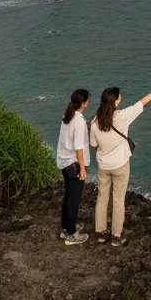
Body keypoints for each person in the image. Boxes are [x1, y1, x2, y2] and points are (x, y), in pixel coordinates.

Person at [90, 83, 151, 245]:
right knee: (118, 200)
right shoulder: (122, 116)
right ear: (115, 102)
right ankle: (116, 236)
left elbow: (94, 145)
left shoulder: (95, 121)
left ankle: (101, 233)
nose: (121, 98)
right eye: (119, 97)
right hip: (120, 165)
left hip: (103, 166)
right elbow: (140, 104)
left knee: (102, 197)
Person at [56, 88, 91, 245]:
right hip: (74, 164)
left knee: (68, 196)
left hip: (64, 162)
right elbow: (78, 148)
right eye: (88, 100)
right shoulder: (78, 121)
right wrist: (83, 169)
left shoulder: (67, 116)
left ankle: (66, 228)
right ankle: (71, 235)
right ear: (83, 103)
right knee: (74, 199)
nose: (89, 102)